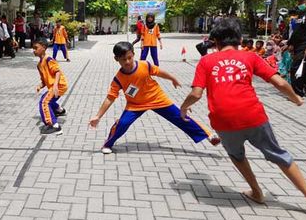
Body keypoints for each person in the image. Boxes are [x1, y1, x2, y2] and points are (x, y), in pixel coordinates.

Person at [180, 18, 306, 214]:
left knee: (237, 155)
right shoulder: (250, 57)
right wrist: (296, 98)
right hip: (253, 116)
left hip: (223, 121)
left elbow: (196, 93)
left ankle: (256, 192)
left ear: (215, 41)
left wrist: (183, 108)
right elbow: (280, 83)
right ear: (239, 39)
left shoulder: (206, 61)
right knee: (279, 155)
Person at [88, 41, 219, 154]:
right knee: (122, 123)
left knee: (181, 117)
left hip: (158, 99)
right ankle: (107, 144)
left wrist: (172, 78)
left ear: (133, 54)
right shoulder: (118, 79)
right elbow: (110, 98)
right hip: (135, 105)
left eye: (129, 58)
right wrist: (98, 116)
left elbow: (159, 72)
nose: (127, 62)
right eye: (123, 59)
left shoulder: (145, 65)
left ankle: (209, 135)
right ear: (116, 59)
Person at [33, 38, 68, 135]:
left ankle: (54, 125)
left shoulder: (49, 59)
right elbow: (44, 80)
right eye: (33, 49)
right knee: (49, 100)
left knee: (44, 101)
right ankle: (59, 110)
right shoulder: (39, 65)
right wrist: (40, 85)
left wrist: (56, 85)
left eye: (36, 48)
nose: (34, 51)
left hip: (59, 85)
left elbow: (57, 72)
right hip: (55, 86)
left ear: (43, 48)